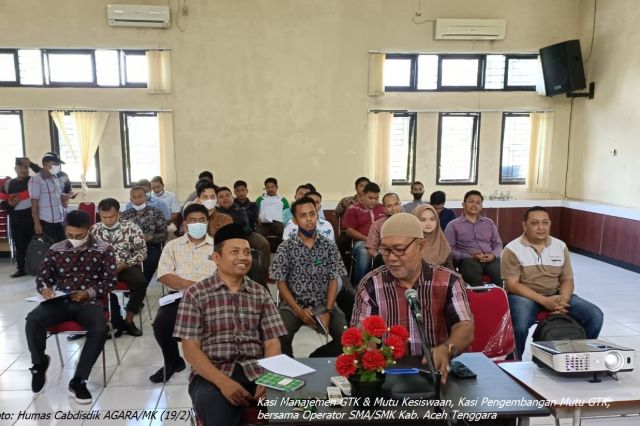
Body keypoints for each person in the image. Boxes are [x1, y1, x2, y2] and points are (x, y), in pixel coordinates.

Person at [173, 223, 287, 426]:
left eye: (246, 252)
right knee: (219, 413)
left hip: (257, 369)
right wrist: (222, 382)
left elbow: (272, 342)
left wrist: (270, 377)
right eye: (235, 252)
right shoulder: (196, 294)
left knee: (293, 407)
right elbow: (190, 349)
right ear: (216, 258)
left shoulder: (260, 293)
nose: (243, 257)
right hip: (212, 373)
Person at [352, 213, 474, 383]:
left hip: (436, 373)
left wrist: (446, 349)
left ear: (421, 246)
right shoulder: (371, 284)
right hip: (389, 374)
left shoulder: (448, 281)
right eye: (385, 250)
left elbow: (465, 326)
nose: (392, 258)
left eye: (400, 249)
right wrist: (369, 353)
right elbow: (361, 333)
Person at [25, 210, 117, 403]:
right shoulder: (56, 248)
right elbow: (43, 277)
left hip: (89, 301)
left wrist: (88, 292)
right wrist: (45, 289)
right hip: (60, 299)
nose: (74, 239)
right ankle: (39, 364)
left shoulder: (104, 248)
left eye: (79, 236)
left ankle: (78, 381)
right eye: (70, 235)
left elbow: (110, 281)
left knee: (99, 329)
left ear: (89, 229)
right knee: (33, 319)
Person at [502, 206, 604, 359]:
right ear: (525, 225)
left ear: (550, 224)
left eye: (545, 223)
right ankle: (514, 362)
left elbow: (566, 279)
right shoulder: (512, 249)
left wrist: (562, 299)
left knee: (594, 315)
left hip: (555, 294)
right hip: (523, 296)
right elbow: (512, 285)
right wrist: (544, 301)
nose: (541, 227)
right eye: (535, 223)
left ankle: (577, 357)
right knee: (520, 321)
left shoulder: (560, 246)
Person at [270, 197, 347, 357]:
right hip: (293, 304)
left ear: (317, 216)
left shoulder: (329, 246)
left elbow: (333, 280)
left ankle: (318, 357)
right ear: (295, 220)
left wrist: (328, 310)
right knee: (279, 335)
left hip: (323, 302)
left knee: (346, 337)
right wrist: (298, 311)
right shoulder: (286, 247)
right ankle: (289, 367)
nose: (309, 219)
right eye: (303, 215)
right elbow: (281, 284)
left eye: (312, 214)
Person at [150, 203, 218, 383]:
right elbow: (165, 275)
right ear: (185, 224)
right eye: (192, 220)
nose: (198, 224)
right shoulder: (172, 246)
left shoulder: (218, 247)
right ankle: (173, 361)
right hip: (180, 297)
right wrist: (195, 286)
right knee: (161, 324)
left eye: (202, 220)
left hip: (213, 297)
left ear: (208, 221)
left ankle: (209, 361)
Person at [91, 198, 147, 337]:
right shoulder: (93, 230)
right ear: (99, 215)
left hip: (125, 265)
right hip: (101, 269)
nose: (108, 220)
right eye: (104, 217)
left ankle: (128, 320)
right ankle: (103, 322)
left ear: (119, 213)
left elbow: (142, 252)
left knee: (140, 282)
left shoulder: (131, 228)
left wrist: (126, 263)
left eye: (112, 216)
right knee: (89, 284)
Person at [444, 190, 503, 286]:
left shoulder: (489, 223)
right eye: (471, 201)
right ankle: (478, 298)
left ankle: (498, 298)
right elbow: (449, 250)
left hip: (490, 259)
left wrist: (493, 255)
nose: (474, 205)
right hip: (468, 261)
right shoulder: (453, 225)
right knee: (471, 270)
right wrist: (470, 256)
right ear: (463, 204)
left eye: (478, 202)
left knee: (499, 272)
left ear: (481, 207)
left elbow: (498, 244)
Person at [216, 186, 270, 285]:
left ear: (232, 197)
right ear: (217, 200)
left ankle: (265, 271)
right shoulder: (215, 213)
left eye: (227, 195)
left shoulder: (240, 210)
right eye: (221, 197)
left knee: (264, 243)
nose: (225, 198)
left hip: (245, 236)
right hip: (225, 241)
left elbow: (245, 227)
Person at [121, 186, 168, 284]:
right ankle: (128, 288)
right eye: (134, 197)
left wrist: (149, 237)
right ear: (130, 199)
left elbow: (164, 234)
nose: (137, 200)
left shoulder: (155, 213)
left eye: (140, 197)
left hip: (150, 247)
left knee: (150, 261)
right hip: (129, 248)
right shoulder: (125, 215)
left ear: (146, 197)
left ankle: (140, 287)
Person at [342, 182, 386, 285]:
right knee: (364, 254)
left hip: (382, 242)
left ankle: (383, 285)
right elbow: (349, 230)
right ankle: (361, 285)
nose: (374, 201)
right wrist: (368, 239)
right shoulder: (353, 209)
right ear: (363, 196)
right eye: (370, 198)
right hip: (362, 242)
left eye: (376, 198)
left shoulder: (382, 208)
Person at [28, 152, 75, 243]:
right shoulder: (36, 180)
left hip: (60, 220)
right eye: (55, 164)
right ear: (45, 164)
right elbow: (34, 203)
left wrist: (68, 196)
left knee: (62, 248)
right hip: (46, 222)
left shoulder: (55, 178)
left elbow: (58, 196)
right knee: (50, 250)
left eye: (58, 164)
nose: (58, 167)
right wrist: (37, 224)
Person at [1, 158, 34, 277]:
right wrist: (10, 204)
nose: (23, 170)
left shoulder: (33, 181)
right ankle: (21, 268)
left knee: (35, 245)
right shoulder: (8, 184)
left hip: (33, 219)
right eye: (21, 167)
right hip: (16, 220)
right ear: (15, 169)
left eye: (26, 167)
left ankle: (36, 267)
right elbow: (2, 203)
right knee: (20, 245)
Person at [413, 204, 454, 270]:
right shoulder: (409, 244)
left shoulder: (443, 244)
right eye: (423, 220)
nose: (428, 223)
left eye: (432, 219)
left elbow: (450, 272)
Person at [367, 192, 403, 258]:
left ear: (400, 204)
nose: (394, 208)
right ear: (384, 209)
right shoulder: (377, 225)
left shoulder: (409, 222)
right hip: (384, 257)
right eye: (389, 206)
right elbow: (371, 249)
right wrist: (379, 258)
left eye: (396, 204)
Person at [255, 177, 289, 245]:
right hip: (263, 223)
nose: (270, 189)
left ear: (276, 187)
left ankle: (282, 249)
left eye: (272, 187)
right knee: (258, 234)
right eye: (268, 187)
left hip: (278, 223)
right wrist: (257, 218)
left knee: (283, 231)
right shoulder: (260, 199)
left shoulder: (283, 200)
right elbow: (255, 211)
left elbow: (287, 213)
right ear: (265, 188)